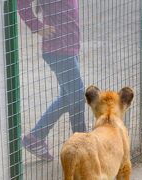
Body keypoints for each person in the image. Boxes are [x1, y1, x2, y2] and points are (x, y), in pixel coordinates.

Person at [17, 0, 86, 161]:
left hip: (69, 47)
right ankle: (82, 145)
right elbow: (21, 3)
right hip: (58, 50)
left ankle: (35, 137)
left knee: (68, 98)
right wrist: (37, 26)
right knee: (77, 97)